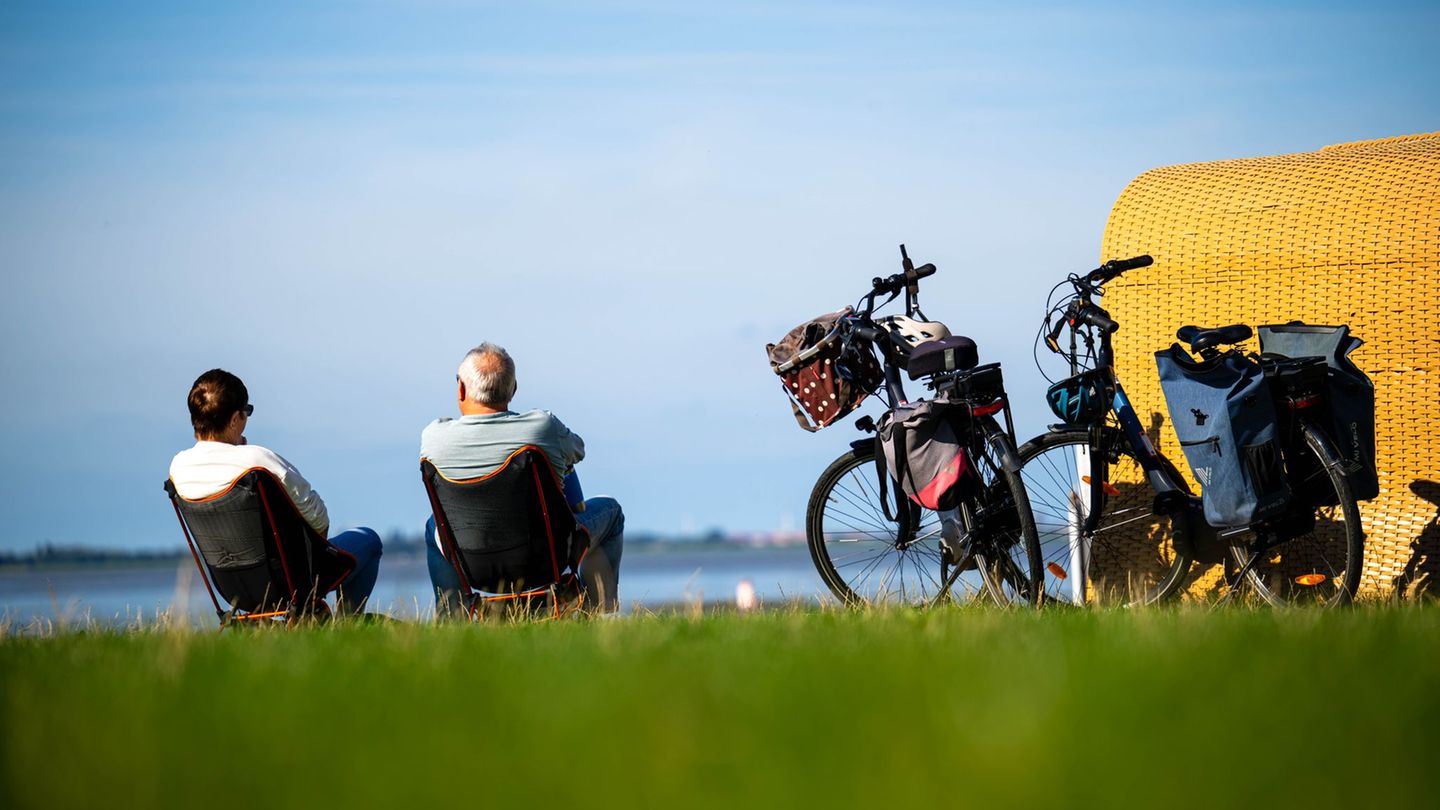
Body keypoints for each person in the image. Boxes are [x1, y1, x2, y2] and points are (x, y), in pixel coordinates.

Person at [421, 342, 624, 613]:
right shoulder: (542, 428)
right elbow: (578, 450)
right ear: (513, 389)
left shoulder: (433, 438)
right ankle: (598, 614)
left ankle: (452, 615)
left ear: (461, 389)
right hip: (545, 559)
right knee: (611, 510)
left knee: (434, 525)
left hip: (472, 564)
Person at [169, 369, 383, 614]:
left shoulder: (178, 468)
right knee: (368, 539)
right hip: (290, 582)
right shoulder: (257, 461)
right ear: (234, 420)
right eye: (246, 412)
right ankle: (348, 625)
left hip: (232, 589)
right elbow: (319, 517)